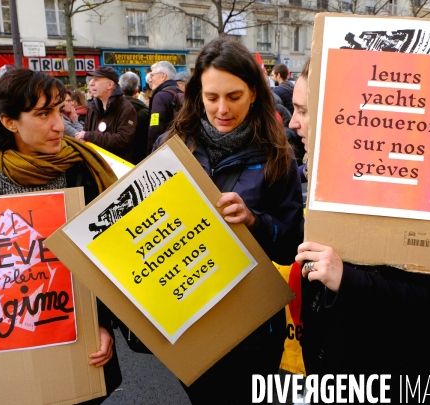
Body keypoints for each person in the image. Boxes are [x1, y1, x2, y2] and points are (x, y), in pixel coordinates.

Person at [0, 69, 122, 404]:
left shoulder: (83, 171)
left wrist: (101, 325)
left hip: (78, 345)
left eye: (60, 110)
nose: (60, 124)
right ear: (10, 121)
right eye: (43, 114)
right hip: (10, 347)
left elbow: (106, 257)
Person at [155, 37, 303, 404]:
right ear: (197, 95)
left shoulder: (278, 155)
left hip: (252, 323)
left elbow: (291, 246)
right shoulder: (169, 148)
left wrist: (255, 222)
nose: (222, 109)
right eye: (211, 97)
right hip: (188, 313)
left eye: (234, 96)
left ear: (254, 93)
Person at [291, 59, 430, 402]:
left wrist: (348, 279)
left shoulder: (427, 191)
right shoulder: (324, 182)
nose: (293, 122)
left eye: (303, 110)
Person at [75, 66, 137, 162]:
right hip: (94, 167)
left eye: (96, 79)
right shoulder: (92, 107)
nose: (91, 83)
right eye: (92, 80)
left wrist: (88, 136)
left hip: (115, 170)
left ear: (110, 84)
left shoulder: (126, 108)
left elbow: (122, 140)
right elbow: (85, 133)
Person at [147, 60, 182, 153]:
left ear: (163, 76)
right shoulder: (179, 92)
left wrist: (151, 153)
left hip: (163, 150)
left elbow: (155, 129)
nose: (150, 80)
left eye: (152, 75)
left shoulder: (160, 96)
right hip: (179, 146)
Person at [119, 71, 150, 164]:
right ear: (136, 90)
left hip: (117, 159)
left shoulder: (111, 108)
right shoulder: (144, 111)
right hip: (139, 159)